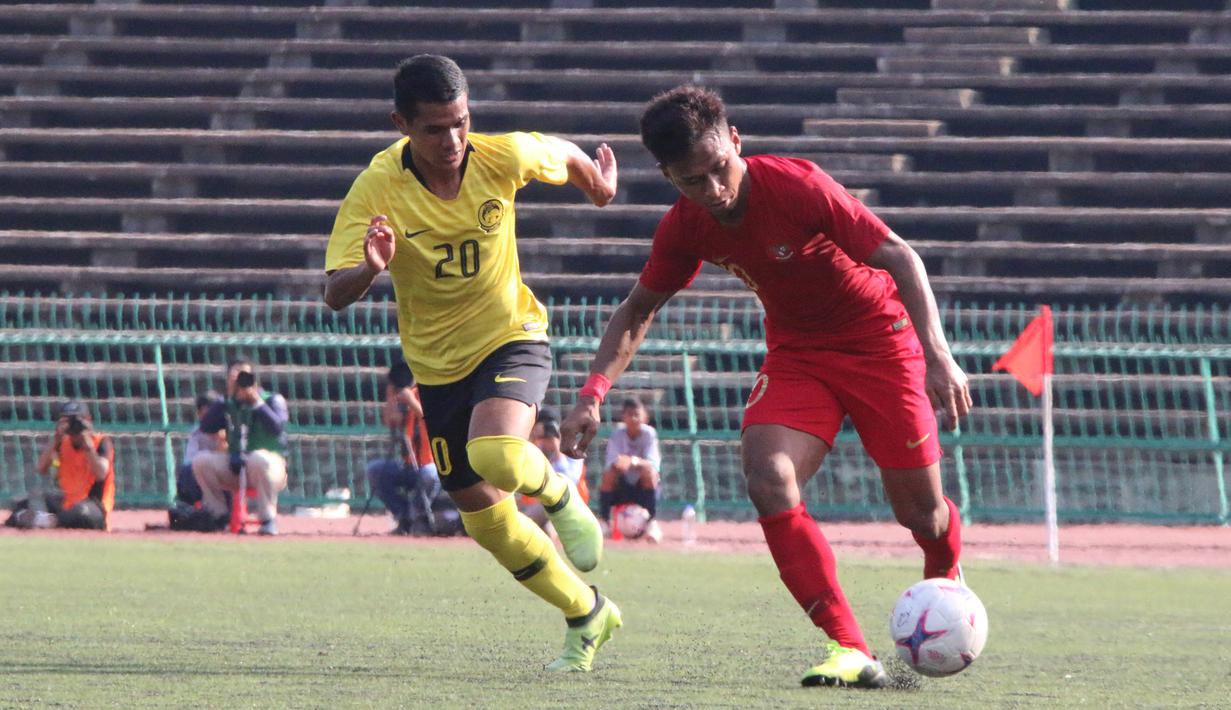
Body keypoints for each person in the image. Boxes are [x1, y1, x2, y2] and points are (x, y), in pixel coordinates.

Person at [560, 85, 971, 689]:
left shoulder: (797, 186)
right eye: (691, 181)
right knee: (768, 474)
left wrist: (938, 355)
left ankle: (946, 578)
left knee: (923, 514)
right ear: (668, 176)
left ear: (736, 142)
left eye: (719, 170)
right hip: (800, 354)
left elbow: (901, 257)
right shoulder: (685, 225)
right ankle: (849, 648)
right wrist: (592, 393)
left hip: (881, 343)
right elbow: (638, 308)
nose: (713, 190)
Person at [322, 54, 621, 671]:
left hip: (512, 336)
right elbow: (333, 291)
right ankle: (587, 614)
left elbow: (559, 152)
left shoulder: (498, 156)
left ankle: (562, 497)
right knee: (485, 521)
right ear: (401, 123)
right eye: (434, 128)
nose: (453, 140)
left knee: (495, 452)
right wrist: (369, 270)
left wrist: (598, 185)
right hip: (437, 370)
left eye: (461, 122)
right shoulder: (377, 186)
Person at [192, 357, 289, 536]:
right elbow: (206, 426)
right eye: (235, 376)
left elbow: (277, 428)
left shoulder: (272, 400)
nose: (240, 381)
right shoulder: (227, 404)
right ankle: (218, 515)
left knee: (258, 458)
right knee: (201, 461)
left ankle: (268, 519)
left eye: (244, 375)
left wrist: (257, 403)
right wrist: (226, 400)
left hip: (270, 467)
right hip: (236, 466)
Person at [5, 400, 115, 531]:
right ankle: (49, 520)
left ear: (88, 420)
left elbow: (101, 473)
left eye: (77, 420)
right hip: (66, 502)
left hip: (93, 505)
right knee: (27, 502)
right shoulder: (63, 442)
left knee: (82, 513)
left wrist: (88, 445)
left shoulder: (100, 442)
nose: (73, 426)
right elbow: (41, 468)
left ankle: (48, 520)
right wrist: (56, 439)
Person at [365, 361, 443, 535]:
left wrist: (411, 401)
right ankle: (404, 516)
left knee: (430, 474)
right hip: (410, 464)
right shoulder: (404, 397)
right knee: (375, 470)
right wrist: (391, 397)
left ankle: (417, 517)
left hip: (432, 464)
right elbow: (391, 422)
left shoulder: (431, 393)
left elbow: (432, 420)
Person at [598, 397, 662, 543]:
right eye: (629, 414)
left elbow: (652, 464)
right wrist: (623, 463)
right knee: (608, 475)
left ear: (644, 417)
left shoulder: (649, 434)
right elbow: (613, 463)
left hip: (641, 487)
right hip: (622, 485)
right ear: (623, 417)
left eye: (637, 414)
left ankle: (652, 522)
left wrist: (632, 461)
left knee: (650, 473)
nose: (633, 419)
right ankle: (605, 522)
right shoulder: (617, 435)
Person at [519, 407, 589, 531]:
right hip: (533, 508)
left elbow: (570, 479)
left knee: (546, 523)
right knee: (547, 529)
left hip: (569, 507)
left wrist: (557, 451)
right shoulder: (532, 447)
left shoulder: (572, 449)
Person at [175, 391, 225, 506]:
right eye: (203, 414)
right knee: (187, 471)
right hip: (203, 473)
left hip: (225, 473)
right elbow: (189, 460)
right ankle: (186, 507)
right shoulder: (197, 433)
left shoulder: (229, 430)